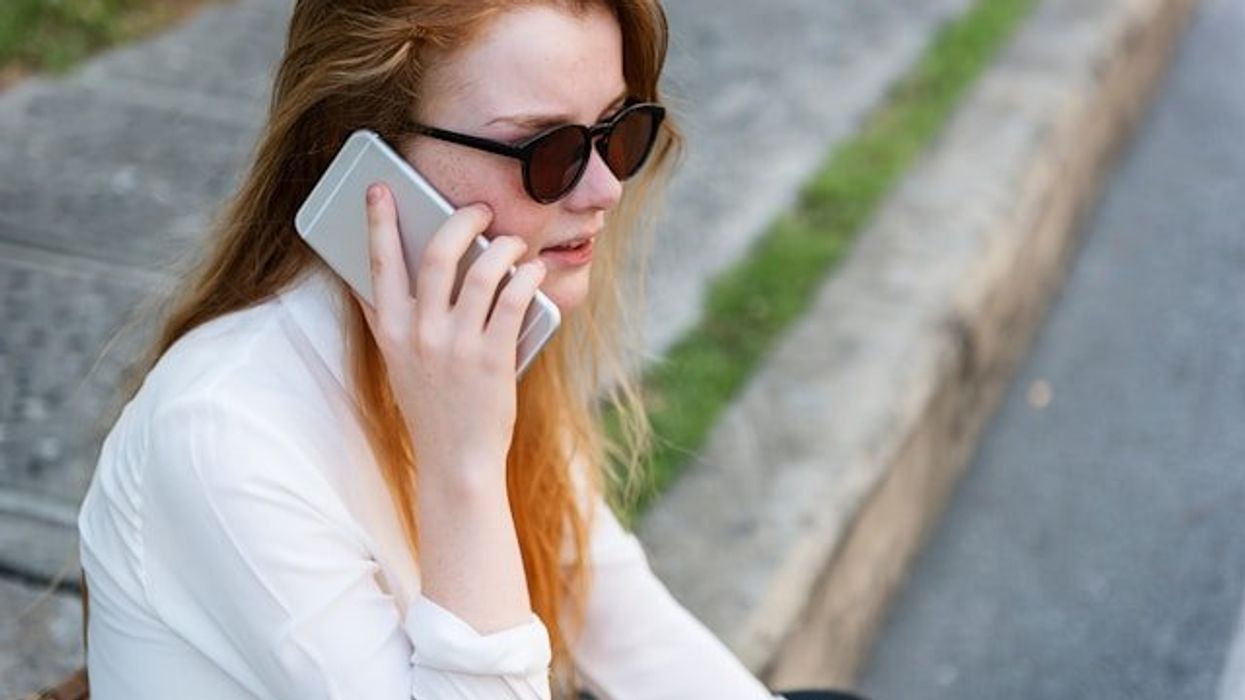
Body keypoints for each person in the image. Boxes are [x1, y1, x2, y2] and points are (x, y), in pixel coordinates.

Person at [75, 1, 862, 698]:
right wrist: (463, 468)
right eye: (546, 151)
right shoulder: (224, 436)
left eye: (618, 132)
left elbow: (626, 628)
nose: (603, 191)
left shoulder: (467, 337)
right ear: (363, 153)